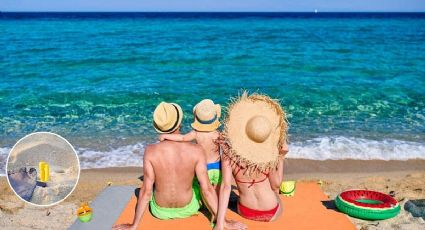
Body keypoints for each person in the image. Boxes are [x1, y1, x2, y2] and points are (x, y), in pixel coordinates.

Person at [113, 102, 245, 230]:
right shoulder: (196, 150)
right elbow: (207, 190)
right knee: (201, 182)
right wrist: (224, 222)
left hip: (159, 211)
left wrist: (134, 225)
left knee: (147, 186)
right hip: (189, 207)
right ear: (179, 123)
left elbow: (146, 192)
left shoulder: (150, 151)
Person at [214, 92, 289, 229]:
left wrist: (219, 224)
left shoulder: (228, 153)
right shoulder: (267, 155)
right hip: (271, 212)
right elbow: (276, 185)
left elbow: (225, 187)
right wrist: (281, 157)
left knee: (232, 196)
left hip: (245, 211)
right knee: (276, 194)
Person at [159, 99, 222, 192]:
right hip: (218, 166)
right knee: (218, 189)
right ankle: (217, 202)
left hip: (204, 167)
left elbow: (183, 138)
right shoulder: (218, 134)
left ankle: (205, 203)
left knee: (204, 189)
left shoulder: (196, 133)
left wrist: (165, 135)